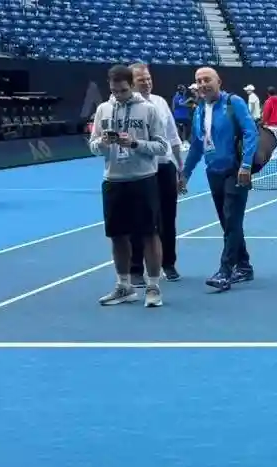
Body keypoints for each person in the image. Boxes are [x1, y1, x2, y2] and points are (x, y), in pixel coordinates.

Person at [88, 64, 171, 307]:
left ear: (132, 86)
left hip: (143, 179)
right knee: (117, 235)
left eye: (123, 90)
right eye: (114, 91)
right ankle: (124, 286)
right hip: (113, 180)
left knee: (149, 234)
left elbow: (161, 146)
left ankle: (153, 286)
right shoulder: (103, 109)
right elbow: (93, 146)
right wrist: (102, 143)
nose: (118, 95)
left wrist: (135, 143)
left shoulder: (148, 109)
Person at [179, 66, 258, 292]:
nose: (203, 84)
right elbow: (196, 146)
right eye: (199, 81)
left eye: (207, 80)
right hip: (213, 172)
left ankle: (225, 271)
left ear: (219, 81)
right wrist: (185, 174)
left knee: (232, 220)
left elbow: (250, 132)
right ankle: (244, 266)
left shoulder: (234, 103)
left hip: (235, 170)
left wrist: (246, 165)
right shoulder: (199, 111)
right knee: (227, 221)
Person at [127, 63, 184, 286]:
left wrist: (180, 168)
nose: (147, 83)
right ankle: (135, 269)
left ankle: (168, 263)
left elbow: (173, 137)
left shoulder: (160, 102)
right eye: (142, 80)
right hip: (140, 170)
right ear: (132, 83)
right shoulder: (126, 107)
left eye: (149, 79)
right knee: (139, 220)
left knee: (168, 219)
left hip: (165, 167)